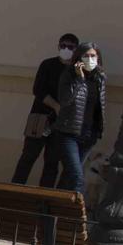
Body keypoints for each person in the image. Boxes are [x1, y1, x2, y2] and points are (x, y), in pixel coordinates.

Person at [12, 32, 79, 187]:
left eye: (70, 47)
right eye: (63, 46)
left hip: (61, 123)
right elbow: (38, 90)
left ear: (76, 50)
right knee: (28, 157)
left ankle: (43, 200)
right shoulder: (47, 64)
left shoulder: (76, 71)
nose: (66, 49)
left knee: (52, 163)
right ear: (58, 46)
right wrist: (56, 106)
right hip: (39, 118)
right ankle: (15, 188)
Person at [48, 42, 106, 190]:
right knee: (77, 178)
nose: (90, 59)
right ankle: (75, 213)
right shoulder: (68, 75)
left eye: (93, 55)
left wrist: (98, 130)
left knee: (68, 176)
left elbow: (100, 107)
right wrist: (79, 79)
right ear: (78, 58)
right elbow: (65, 100)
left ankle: (52, 210)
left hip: (89, 134)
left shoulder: (99, 78)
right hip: (69, 133)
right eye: (86, 56)